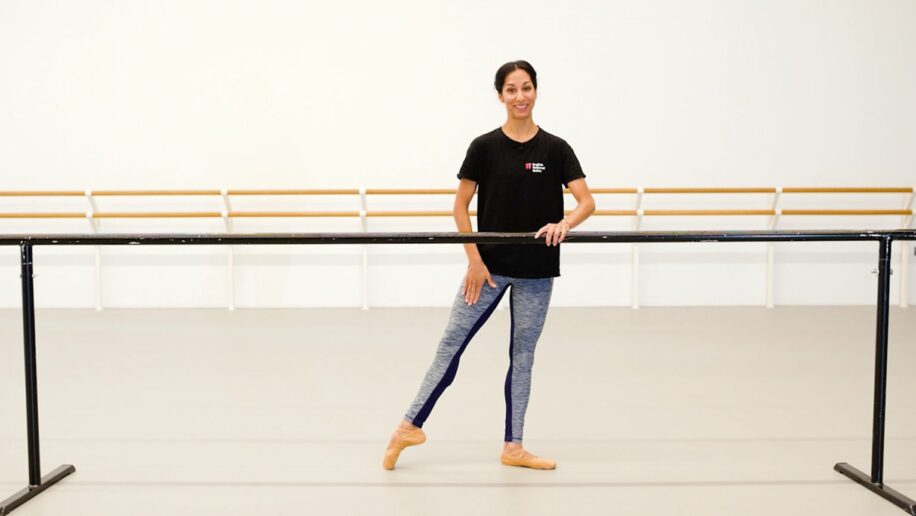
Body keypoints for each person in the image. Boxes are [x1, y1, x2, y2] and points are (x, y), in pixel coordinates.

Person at [384, 60, 595, 471]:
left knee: (523, 355)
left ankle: (513, 445)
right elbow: (461, 206)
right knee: (451, 344)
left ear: (536, 92)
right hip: (489, 268)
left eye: (527, 88)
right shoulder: (484, 147)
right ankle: (408, 426)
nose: (520, 96)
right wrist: (475, 260)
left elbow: (587, 201)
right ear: (500, 96)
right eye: (512, 89)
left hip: (536, 270)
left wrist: (564, 222)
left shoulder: (556, 149)